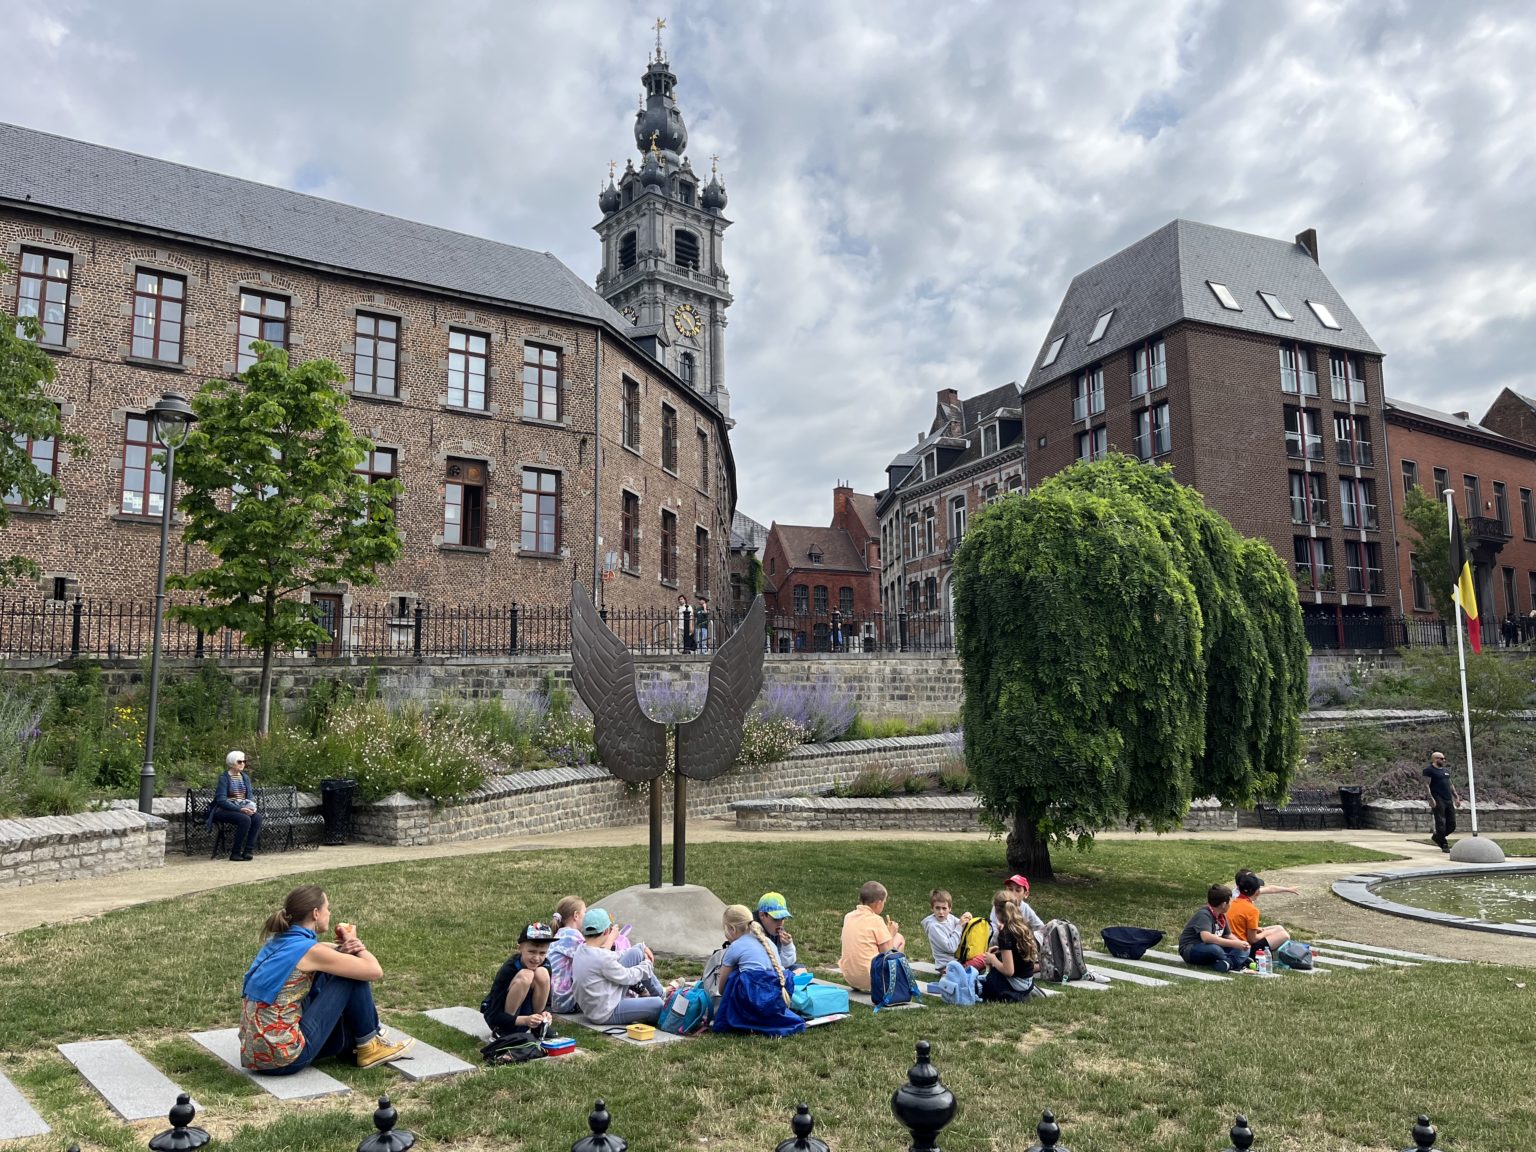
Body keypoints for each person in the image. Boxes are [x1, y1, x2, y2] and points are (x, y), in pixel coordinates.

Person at [238, 885, 414, 1074]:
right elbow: (374, 971)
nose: (329, 913)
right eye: (327, 908)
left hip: (255, 1055)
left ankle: (363, 1037)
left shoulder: (278, 942)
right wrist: (355, 945)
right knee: (350, 974)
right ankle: (369, 1044)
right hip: (286, 1058)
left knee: (338, 968)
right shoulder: (310, 951)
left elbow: (322, 950)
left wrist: (343, 949)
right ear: (316, 913)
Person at [711, 905, 805, 1036]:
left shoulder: (735, 946)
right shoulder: (768, 942)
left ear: (731, 928)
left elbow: (722, 988)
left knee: (734, 976)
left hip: (754, 999)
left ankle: (741, 1020)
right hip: (776, 999)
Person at [570, 908, 666, 1025]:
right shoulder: (601, 958)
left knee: (635, 953)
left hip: (601, 1002)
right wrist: (647, 964)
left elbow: (612, 955)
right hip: (606, 1013)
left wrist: (640, 947)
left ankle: (661, 994)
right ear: (607, 931)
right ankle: (659, 1007)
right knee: (657, 1004)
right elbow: (629, 977)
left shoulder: (582, 949)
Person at [481, 923, 555, 1040]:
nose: (537, 958)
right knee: (526, 975)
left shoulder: (545, 965)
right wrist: (525, 1020)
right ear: (519, 948)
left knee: (542, 973)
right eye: (532, 951)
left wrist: (546, 1014)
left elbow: (548, 1003)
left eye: (542, 953)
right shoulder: (509, 969)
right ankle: (504, 1031)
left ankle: (538, 1025)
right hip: (503, 1020)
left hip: (529, 1017)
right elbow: (494, 1015)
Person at [838, 880, 906, 992]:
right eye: (884, 902)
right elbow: (887, 953)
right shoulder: (876, 920)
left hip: (850, 978)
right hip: (872, 979)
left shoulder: (848, 916)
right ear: (879, 903)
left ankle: (860, 982)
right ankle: (894, 982)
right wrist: (891, 934)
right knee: (899, 938)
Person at [977, 890, 1040, 1002]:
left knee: (990, 979)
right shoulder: (1022, 927)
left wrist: (992, 959)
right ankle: (1025, 992)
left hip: (1018, 984)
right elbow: (1017, 954)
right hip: (1028, 981)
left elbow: (1009, 971)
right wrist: (1000, 952)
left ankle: (1015, 995)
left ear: (997, 912)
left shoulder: (1005, 934)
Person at [1177, 884, 1252, 972]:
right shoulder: (1204, 914)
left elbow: (1228, 935)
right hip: (1191, 948)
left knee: (1243, 949)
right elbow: (1206, 938)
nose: (1231, 904)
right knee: (1215, 950)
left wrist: (1240, 944)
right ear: (1224, 904)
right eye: (1230, 901)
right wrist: (1234, 944)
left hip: (1214, 946)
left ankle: (1227, 963)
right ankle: (1236, 961)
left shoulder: (1221, 916)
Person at [209, 750, 263, 861]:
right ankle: (235, 853)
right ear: (232, 763)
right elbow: (221, 801)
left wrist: (251, 807)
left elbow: (249, 797)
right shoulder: (224, 778)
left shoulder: (245, 777)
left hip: (242, 808)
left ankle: (248, 851)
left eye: (244, 761)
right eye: (239, 762)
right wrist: (241, 809)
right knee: (245, 819)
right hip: (223, 810)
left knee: (257, 818)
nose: (242, 764)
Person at [1227, 873, 1291, 957]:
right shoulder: (1252, 910)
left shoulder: (1233, 903)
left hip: (1233, 942)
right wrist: (1268, 932)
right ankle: (1267, 957)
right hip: (1245, 948)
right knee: (1284, 935)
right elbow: (1253, 939)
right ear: (1257, 892)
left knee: (1279, 928)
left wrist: (1261, 930)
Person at [547, 895, 587, 1014]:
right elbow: (594, 957)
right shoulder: (572, 935)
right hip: (566, 1001)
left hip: (555, 998)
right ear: (576, 915)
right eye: (585, 912)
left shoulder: (560, 934)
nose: (586, 916)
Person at [755, 892, 806, 974]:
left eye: (783, 918)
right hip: (758, 971)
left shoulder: (774, 930)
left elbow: (784, 964)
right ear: (762, 915)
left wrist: (787, 946)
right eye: (775, 919)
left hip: (774, 968)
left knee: (800, 968)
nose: (780, 924)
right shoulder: (752, 931)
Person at [921, 888, 972, 968]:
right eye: (937, 908)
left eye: (944, 908)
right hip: (947, 966)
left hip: (958, 959)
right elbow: (950, 948)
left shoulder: (949, 917)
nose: (941, 912)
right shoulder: (933, 927)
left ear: (950, 908)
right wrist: (959, 926)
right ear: (932, 908)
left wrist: (967, 916)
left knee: (982, 957)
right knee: (981, 962)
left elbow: (963, 924)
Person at [990, 874, 1046, 946]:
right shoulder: (999, 907)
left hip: (1021, 946)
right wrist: (998, 932)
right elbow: (991, 936)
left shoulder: (1025, 908)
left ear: (1026, 894)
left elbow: (1041, 927)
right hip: (1001, 945)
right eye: (1010, 889)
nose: (1013, 893)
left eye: (1018, 890)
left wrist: (1030, 939)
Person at [1425, 750, 1461, 853]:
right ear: (1435, 759)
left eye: (1444, 758)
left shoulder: (1445, 771)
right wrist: (1430, 798)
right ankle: (1443, 844)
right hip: (1437, 798)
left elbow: (1450, 784)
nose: (1443, 760)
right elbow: (1426, 785)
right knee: (1440, 822)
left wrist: (1456, 797)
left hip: (1448, 798)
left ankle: (1437, 837)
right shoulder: (1429, 770)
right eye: (1441, 758)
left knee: (1452, 824)